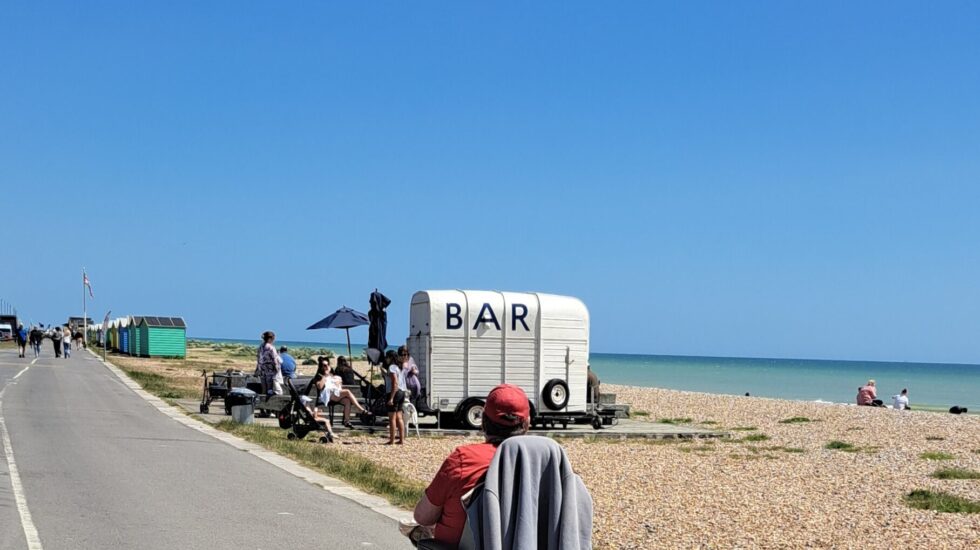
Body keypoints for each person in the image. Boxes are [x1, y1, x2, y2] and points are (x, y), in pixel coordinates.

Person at [411, 384, 531, 547]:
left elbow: (423, 517)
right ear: (526, 424)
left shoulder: (463, 460)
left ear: (482, 422)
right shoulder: (541, 465)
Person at [384, 350, 407, 445]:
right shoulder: (399, 367)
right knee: (399, 417)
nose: (386, 359)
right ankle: (402, 439)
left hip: (395, 392)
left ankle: (392, 440)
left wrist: (391, 398)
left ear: (390, 357)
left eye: (387, 357)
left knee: (392, 418)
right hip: (402, 392)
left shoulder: (392, 367)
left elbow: (395, 382)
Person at [255, 331, 283, 396]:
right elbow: (274, 359)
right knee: (269, 388)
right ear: (270, 339)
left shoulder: (261, 346)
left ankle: (262, 402)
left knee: (264, 388)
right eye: (273, 339)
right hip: (270, 369)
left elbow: (258, 358)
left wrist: (257, 369)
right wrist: (277, 369)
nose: (273, 340)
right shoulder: (271, 347)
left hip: (262, 369)